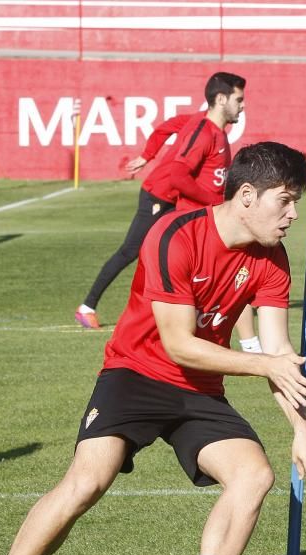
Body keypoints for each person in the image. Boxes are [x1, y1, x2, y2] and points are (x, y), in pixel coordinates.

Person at [0, 141, 306, 555]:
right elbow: (180, 344)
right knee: (88, 482)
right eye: (286, 200)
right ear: (247, 195)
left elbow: (279, 352)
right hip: (134, 374)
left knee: (254, 475)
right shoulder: (175, 234)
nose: (293, 214)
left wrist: (302, 429)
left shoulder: (272, 260)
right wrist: (264, 363)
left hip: (200, 388)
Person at [76, 71, 262, 355]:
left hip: (178, 198)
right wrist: (148, 156)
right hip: (159, 194)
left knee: (179, 259)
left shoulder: (213, 129)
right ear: (221, 99)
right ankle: (87, 306)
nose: (243, 105)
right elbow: (171, 153)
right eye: (239, 99)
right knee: (132, 251)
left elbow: (169, 133)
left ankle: (183, 321)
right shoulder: (201, 127)